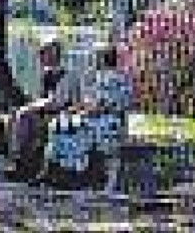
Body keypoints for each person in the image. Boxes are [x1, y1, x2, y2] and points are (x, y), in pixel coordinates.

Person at [44, 44, 131, 191]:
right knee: (62, 123)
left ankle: (70, 174)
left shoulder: (111, 79)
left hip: (108, 122)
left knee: (70, 129)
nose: (94, 61)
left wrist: (82, 112)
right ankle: (62, 172)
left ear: (103, 60)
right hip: (101, 118)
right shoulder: (104, 77)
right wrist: (77, 109)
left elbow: (102, 105)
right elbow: (91, 102)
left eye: (97, 57)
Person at [5, 38, 77, 181]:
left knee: (25, 117)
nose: (41, 56)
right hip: (45, 111)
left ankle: (25, 163)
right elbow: (40, 98)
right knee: (16, 116)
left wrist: (32, 107)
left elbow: (57, 101)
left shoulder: (66, 76)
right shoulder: (46, 76)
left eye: (44, 53)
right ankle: (20, 160)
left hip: (61, 113)